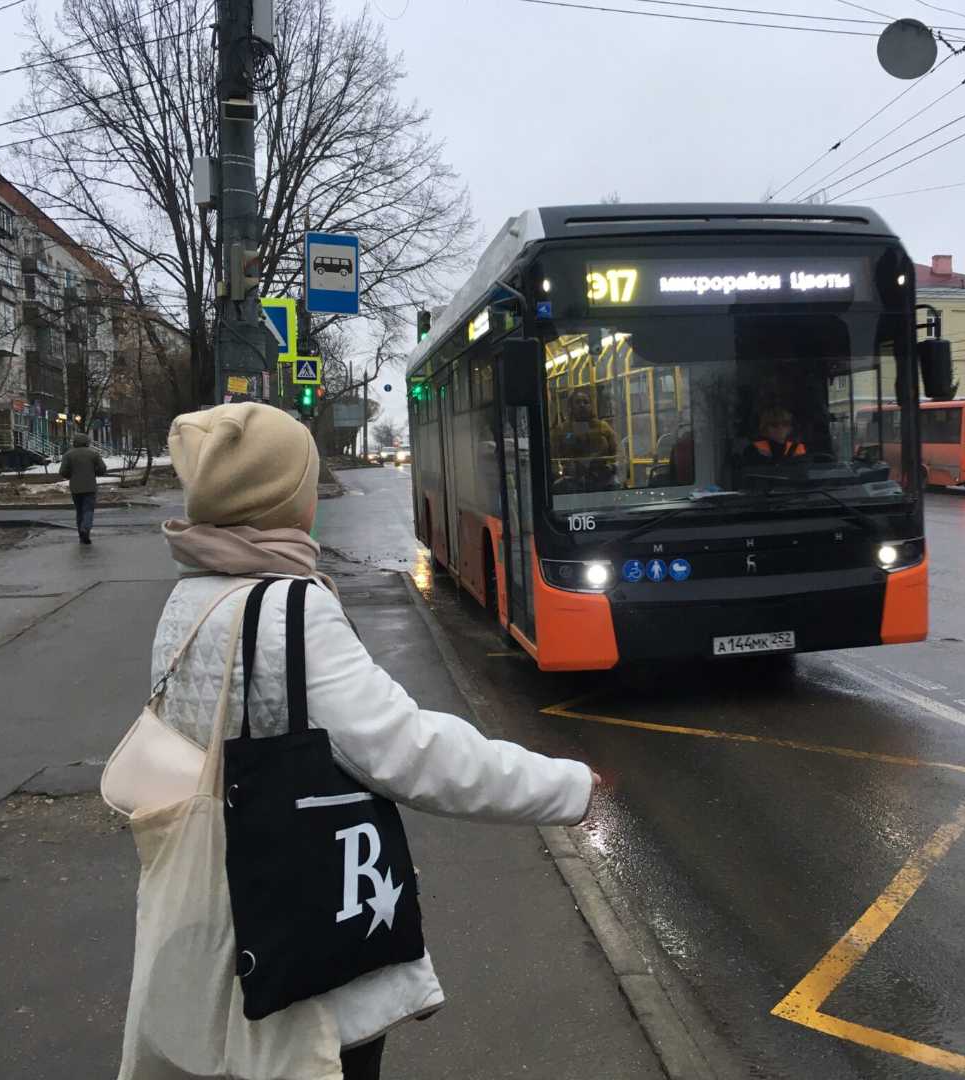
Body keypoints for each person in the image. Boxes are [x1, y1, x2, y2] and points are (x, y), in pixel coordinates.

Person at [149, 402, 598, 1079]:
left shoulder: (190, 599)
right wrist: (567, 786)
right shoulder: (290, 611)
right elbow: (411, 753)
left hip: (214, 919)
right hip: (303, 933)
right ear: (282, 499)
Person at [550, 389, 619, 490]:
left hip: (602, 481)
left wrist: (610, 468)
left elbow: (617, 454)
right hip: (571, 482)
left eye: (586, 402)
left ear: (591, 405)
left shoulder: (603, 427)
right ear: (571, 407)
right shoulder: (562, 430)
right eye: (577, 402)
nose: (582, 405)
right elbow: (553, 457)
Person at [58, 432, 107, 544]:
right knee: (88, 510)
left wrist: (71, 475)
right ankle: (86, 529)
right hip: (90, 486)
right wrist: (95, 473)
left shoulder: (68, 455)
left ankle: (81, 534)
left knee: (79, 511)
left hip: (75, 487)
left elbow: (62, 471)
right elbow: (102, 468)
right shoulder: (93, 454)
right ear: (87, 442)